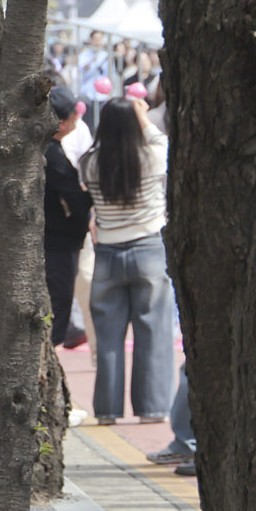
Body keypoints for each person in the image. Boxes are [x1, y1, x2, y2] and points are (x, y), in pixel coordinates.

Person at [79, 96, 175, 424]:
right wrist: (144, 118)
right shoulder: (149, 156)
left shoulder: (90, 163)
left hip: (107, 252)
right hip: (149, 248)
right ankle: (151, 409)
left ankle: (107, 410)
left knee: (108, 336)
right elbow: (164, 143)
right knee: (152, 331)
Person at [43, 86, 92, 349]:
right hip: (60, 243)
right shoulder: (54, 158)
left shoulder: (44, 152)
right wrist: (82, 224)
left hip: (53, 239)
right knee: (58, 305)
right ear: (61, 123)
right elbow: (75, 197)